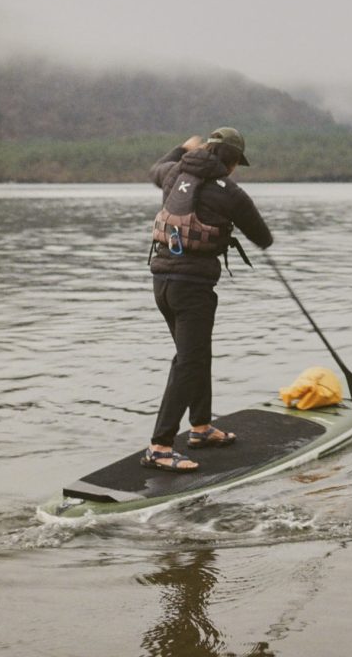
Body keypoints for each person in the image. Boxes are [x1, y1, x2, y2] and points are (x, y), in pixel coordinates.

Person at [143, 127, 273, 473]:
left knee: (195, 354)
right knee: (189, 360)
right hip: (192, 287)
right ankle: (160, 446)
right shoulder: (231, 192)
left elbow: (157, 166)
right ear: (232, 162)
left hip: (162, 284)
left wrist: (180, 146)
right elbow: (263, 236)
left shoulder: (174, 173)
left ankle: (200, 428)